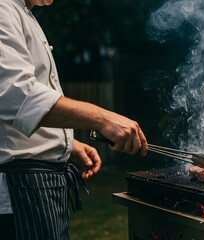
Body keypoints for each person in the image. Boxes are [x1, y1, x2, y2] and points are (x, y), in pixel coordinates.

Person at [0, 0, 148, 239]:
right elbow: (15, 96)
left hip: (40, 185)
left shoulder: (24, 13)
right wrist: (102, 118)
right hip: (19, 191)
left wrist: (66, 144)